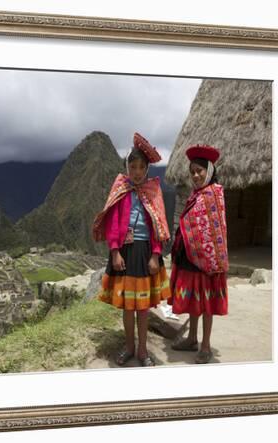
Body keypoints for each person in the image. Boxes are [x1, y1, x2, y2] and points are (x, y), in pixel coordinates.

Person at [92, 132, 171, 367]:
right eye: (133, 166)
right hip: (125, 253)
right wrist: (115, 251)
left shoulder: (153, 192)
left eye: (141, 167)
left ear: (147, 169)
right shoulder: (121, 189)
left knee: (143, 307)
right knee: (128, 306)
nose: (137, 171)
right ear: (127, 167)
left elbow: (159, 225)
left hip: (145, 252)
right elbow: (114, 222)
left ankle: (143, 350)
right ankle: (129, 347)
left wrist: (156, 255)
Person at [168, 144, 229, 364]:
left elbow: (214, 228)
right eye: (192, 171)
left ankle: (205, 345)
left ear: (209, 170)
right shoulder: (196, 194)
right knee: (194, 300)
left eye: (199, 170)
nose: (195, 175)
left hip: (207, 261)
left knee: (206, 302)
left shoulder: (214, 193)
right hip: (190, 257)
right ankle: (192, 338)